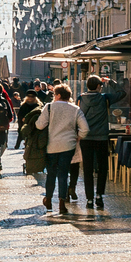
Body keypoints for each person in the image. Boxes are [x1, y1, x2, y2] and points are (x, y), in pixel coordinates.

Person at [40, 84, 84, 217]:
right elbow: (85, 128)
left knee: (51, 174)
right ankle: (61, 203)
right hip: (68, 146)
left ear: (58, 95)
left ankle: (48, 200)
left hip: (51, 146)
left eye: (54, 95)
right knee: (63, 174)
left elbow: (39, 124)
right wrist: (78, 137)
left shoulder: (48, 107)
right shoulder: (76, 109)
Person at [78, 75, 119, 211]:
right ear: (98, 86)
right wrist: (110, 82)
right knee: (102, 168)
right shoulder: (104, 98)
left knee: (88, 169)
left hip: (86, 138)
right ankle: (99, 196)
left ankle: (89, 199)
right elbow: (122, 93)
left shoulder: (81, 98)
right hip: (101, 138)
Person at [18, 89, 46, 179]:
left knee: (34, 146)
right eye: (29, 97)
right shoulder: (26, 106)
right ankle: (30, 163)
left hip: (36, 129)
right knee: (29, 146)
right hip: (29, 130)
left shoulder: (38, 106)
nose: (30, 98)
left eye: (32, 97)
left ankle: (35, 164)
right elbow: (20, 119)